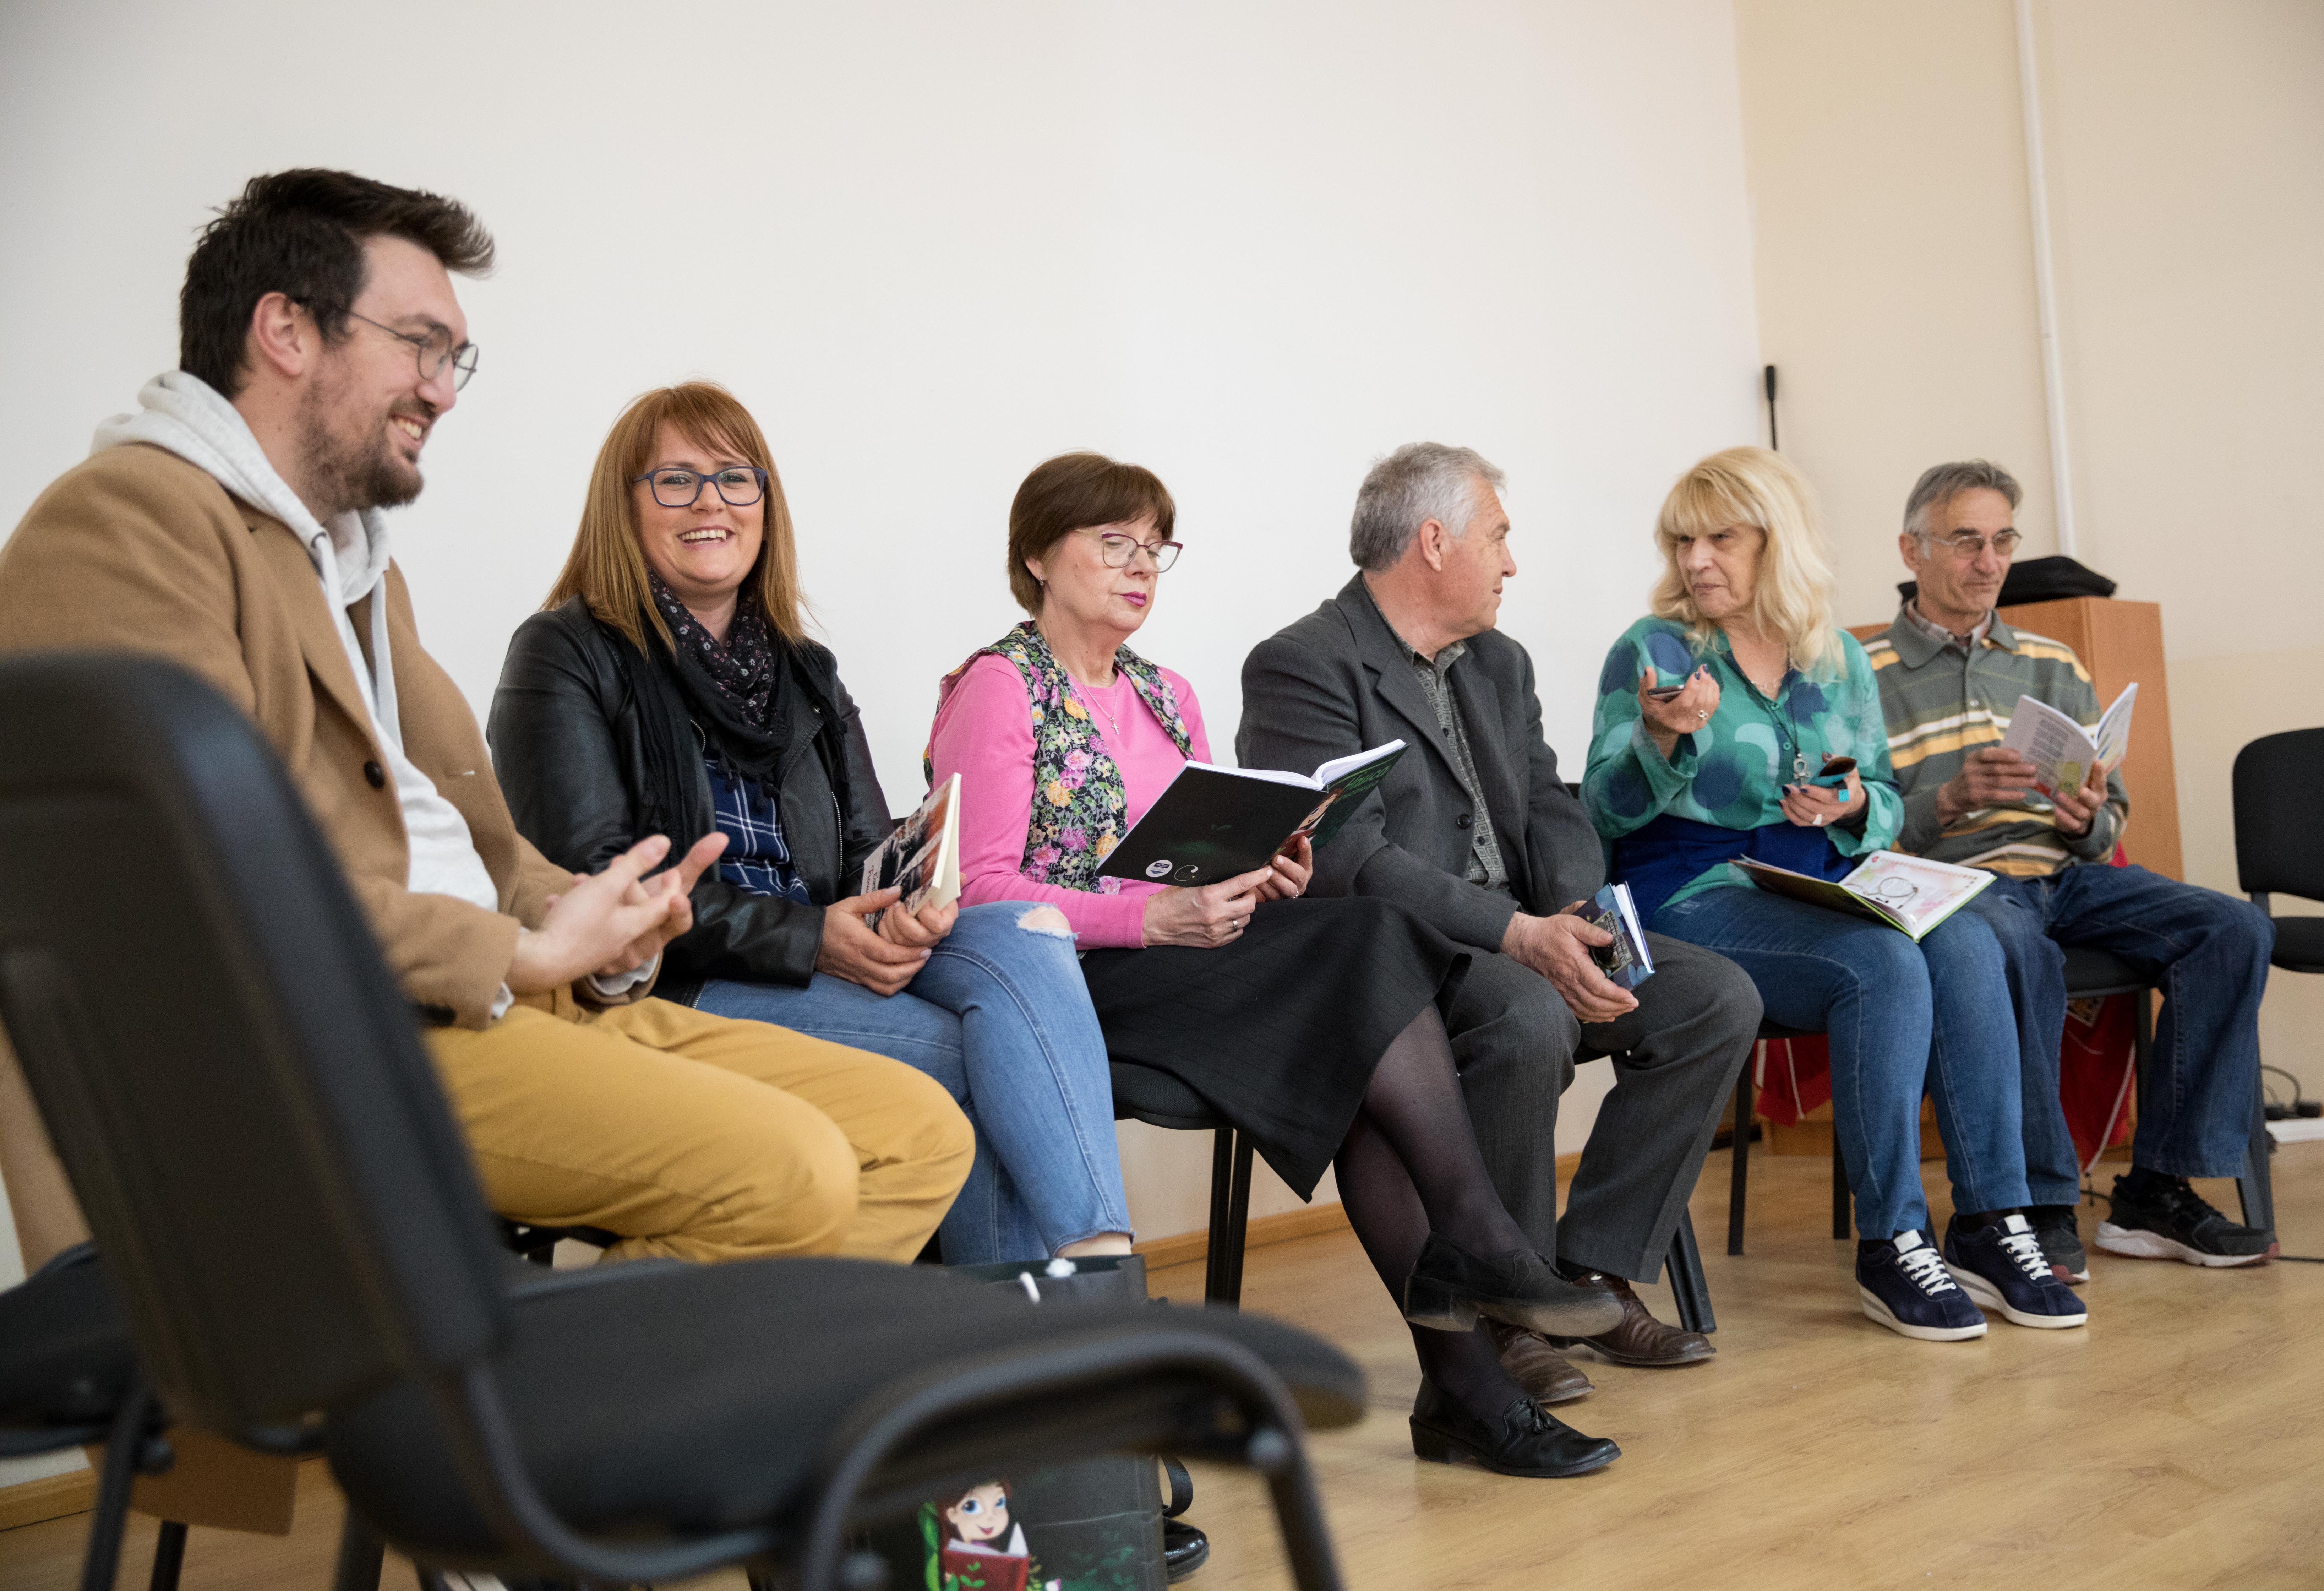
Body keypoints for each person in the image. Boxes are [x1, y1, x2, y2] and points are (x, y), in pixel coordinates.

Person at [0, 169, 971, 1267]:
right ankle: (542, 1381)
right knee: (794, 1171)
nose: (444, 392)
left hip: (521, 1001)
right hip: (349, 1034)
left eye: (453, 358)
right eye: (420, 345)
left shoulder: (357, 572)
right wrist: (519, 946)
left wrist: (607, 922)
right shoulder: (129, 521)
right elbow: (175, 886)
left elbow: (481, 853)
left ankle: (624, 1373)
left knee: (917, 1135)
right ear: (286, 331)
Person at [929, 452, 1624, 1479]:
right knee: (1365, 989)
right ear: (1036, 557)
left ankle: (1471, 1371)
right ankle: (1478, 1287)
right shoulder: (999, 686)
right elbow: (980, 893)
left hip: (1193, 959)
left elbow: (1193, 857)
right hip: (1074, 985)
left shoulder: (1166, 693)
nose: (1141, 566)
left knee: (1362, 972)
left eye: (1154, 547)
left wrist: (1265, 871)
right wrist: (1151, 919)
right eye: (1113, 544)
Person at [490, 381, 1133, 1265]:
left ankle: (1096, 1260)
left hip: (827, 953)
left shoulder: (806, 670)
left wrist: (907, 908)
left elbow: (867, 852)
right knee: (966, 1053)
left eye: (735, 478)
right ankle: (1024, 1315)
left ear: (765, 504)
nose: (711, 502)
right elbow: (594, 886)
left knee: (1028, 927)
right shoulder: (564, 651)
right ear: (624, 505)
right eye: (676, 480)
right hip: (679, 978)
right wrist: (812, 939)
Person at [1237, 443, 1764, 1402]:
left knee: (1714, 997)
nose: (1513, 563)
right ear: (1435, 543)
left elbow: (1549, 802)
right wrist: (1519, 934)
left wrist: (1573, 913)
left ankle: (1592, 1272)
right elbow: (1348, 862)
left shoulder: (1499, 663)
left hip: (1527, 929)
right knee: (1528, 1012)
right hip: (1402, 955)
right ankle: (1508, 1311)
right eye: (1500, 537)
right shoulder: (1303, 664)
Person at [1583, 446, 2084, 1341]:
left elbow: (1883, 797)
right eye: (1683, 541)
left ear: (1776, 541)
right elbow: (1602, 810)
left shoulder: (1837, 654)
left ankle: (1991, 1218)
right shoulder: (1653, 648)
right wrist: (1660, 741)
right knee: (1878, 962)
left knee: (1969, 938)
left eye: (1721, 539)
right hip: (1688, 886)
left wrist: (1850, 804)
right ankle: (1892, 1239)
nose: (1697, 560)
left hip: (1814, 876)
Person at [1867, 460, 2276, 1277]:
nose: (1989, 562)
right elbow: (1853, 827)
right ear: (1912, 550)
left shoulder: (2053, 662)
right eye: (1967, 541)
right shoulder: (1858, 669)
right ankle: (2036, 1200)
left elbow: (2109, 812)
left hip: (2062, 873)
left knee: (2233, 927)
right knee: (2013, 944)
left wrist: (2087, 817)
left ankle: (2156, 1189)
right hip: (1955, 883)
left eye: (2003, 541)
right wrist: (1947, 798)